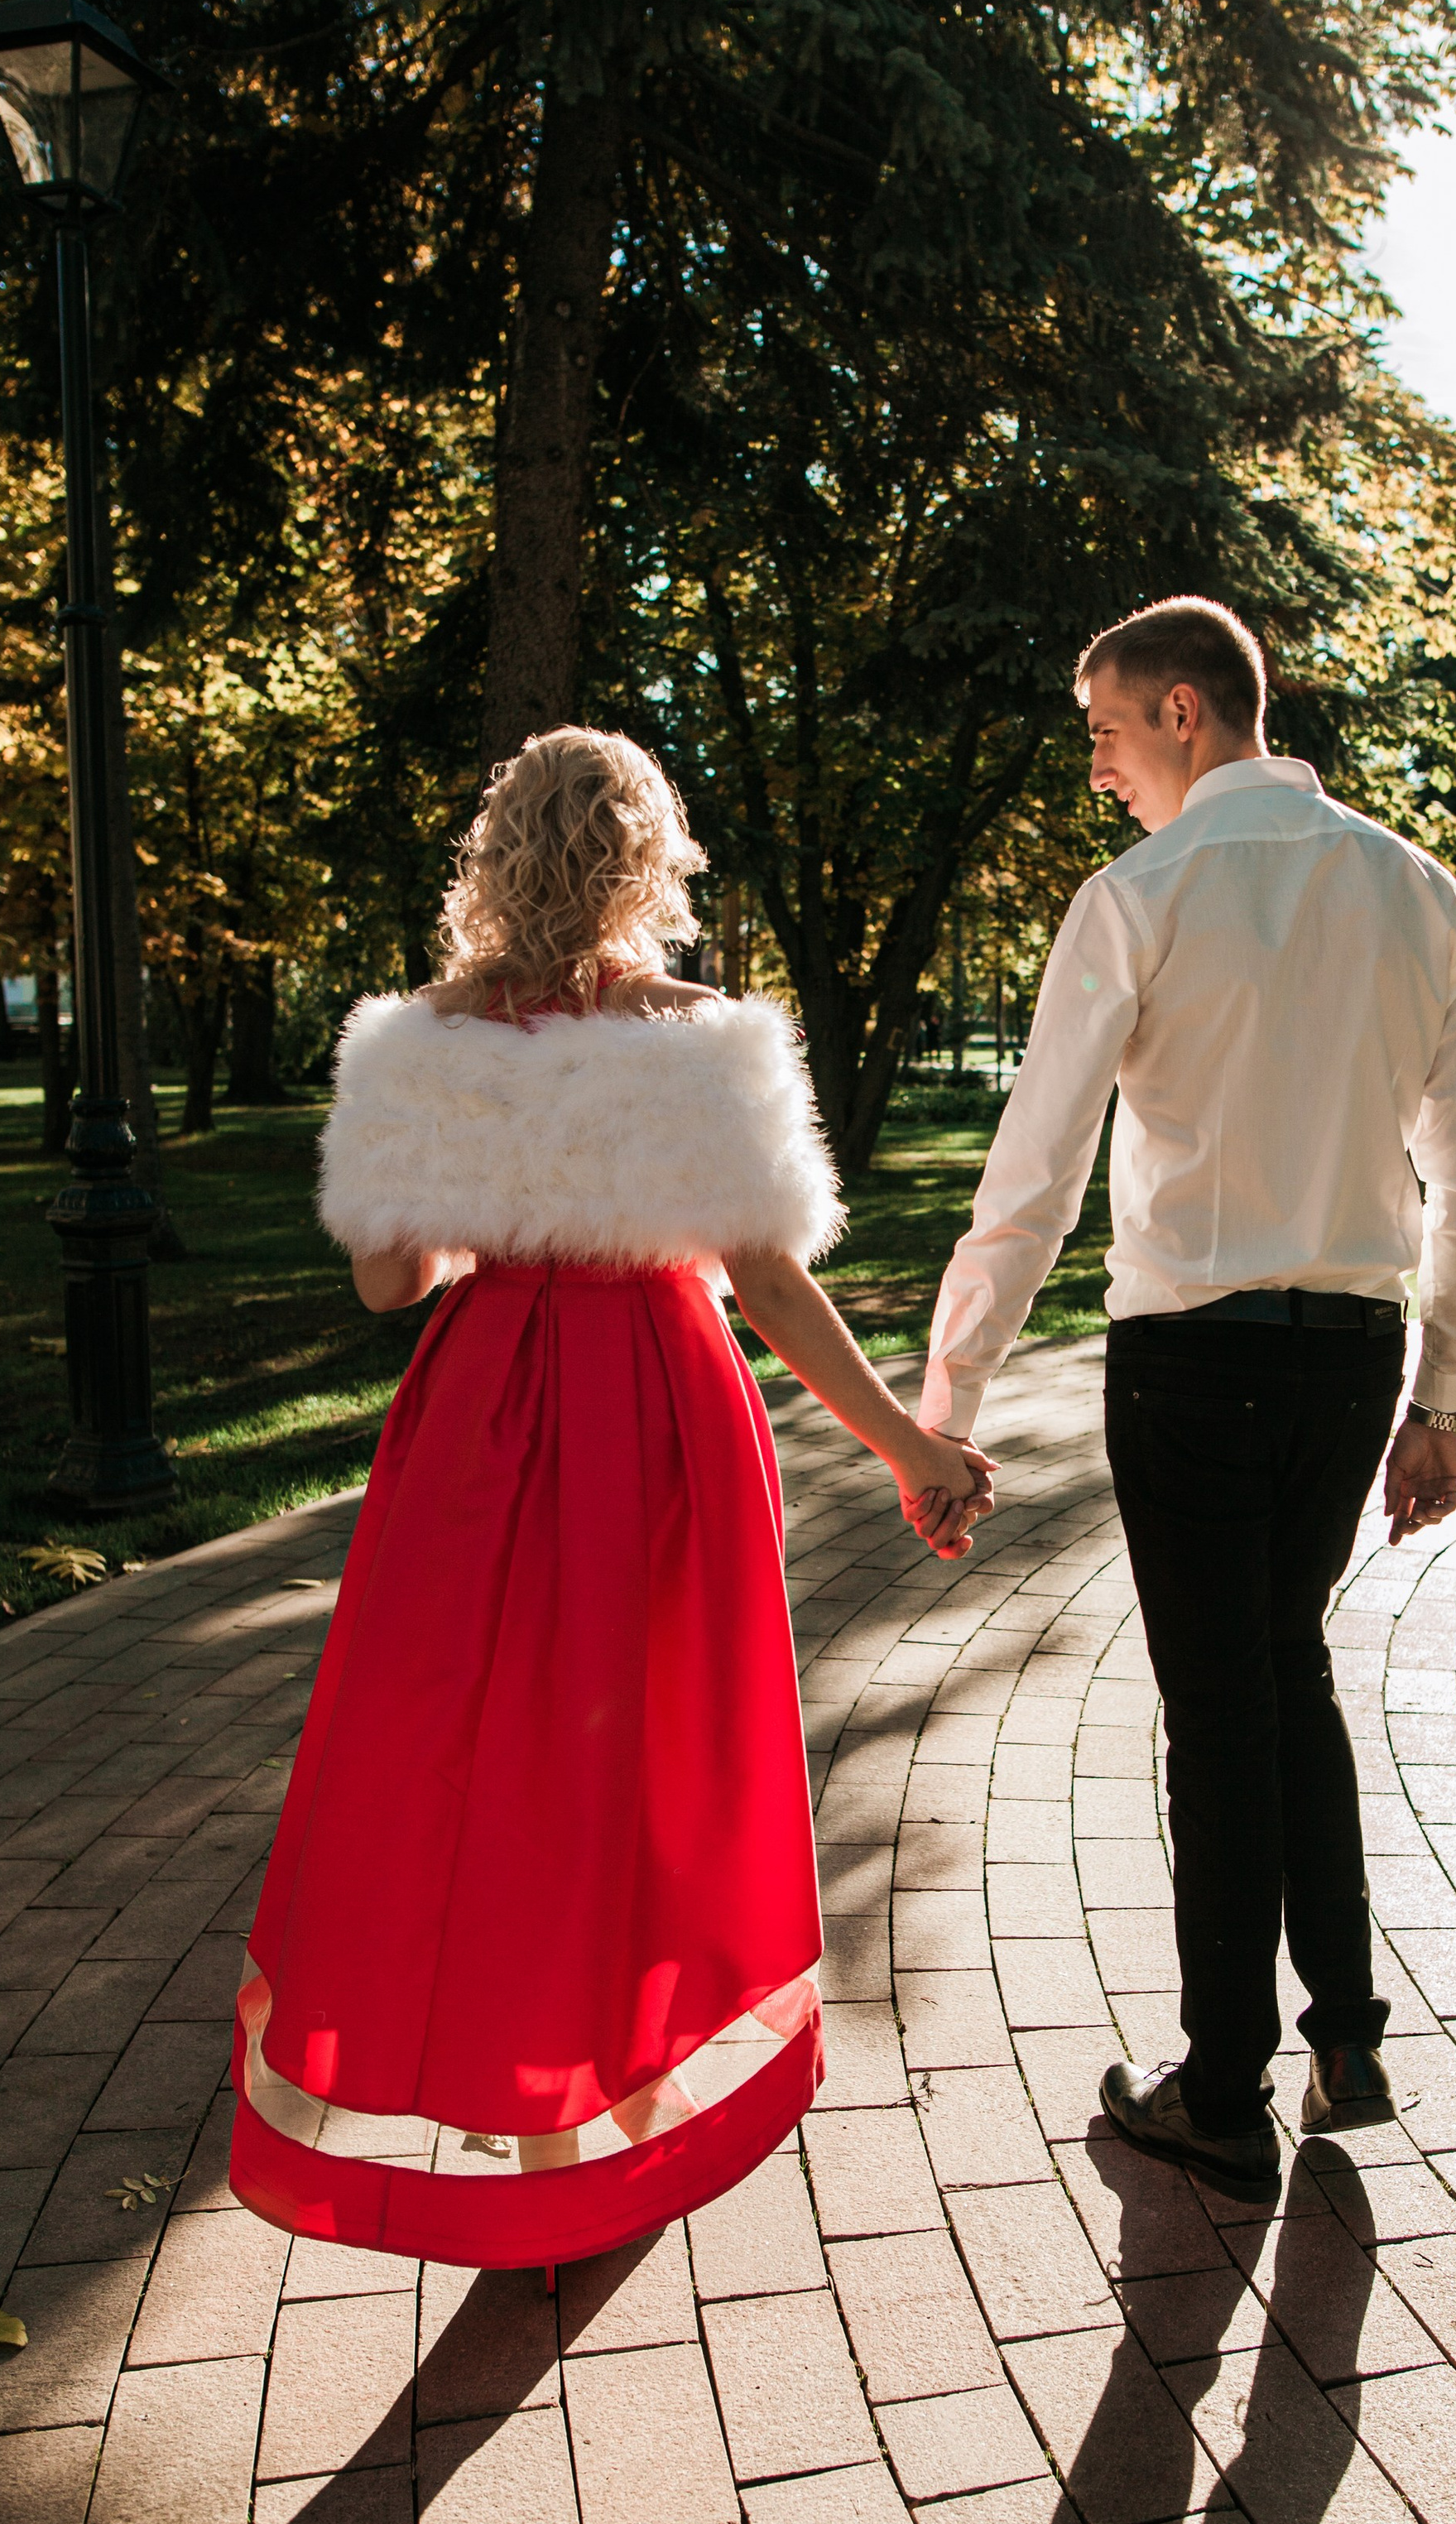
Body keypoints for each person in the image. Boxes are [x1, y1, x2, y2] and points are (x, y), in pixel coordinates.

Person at [233, 727, 990, 2269]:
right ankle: (625, 2095)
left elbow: (389, 1283)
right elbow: (768, 1282)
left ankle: (535, 2108)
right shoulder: (705, 1037)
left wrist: (478, 1177)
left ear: (494, 855)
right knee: (647, 1748)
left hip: (482, 1412)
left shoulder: (418, 1041)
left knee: (490, 1754)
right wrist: (910, 1448)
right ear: (653, 859)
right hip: (657, 1400)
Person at [920, 599, 1456, 2208]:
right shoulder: (1415, 888)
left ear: (1183, 711)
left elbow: (1033, 1176)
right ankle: (1347, 2036)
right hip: (1350, 1362)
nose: (1097, 767)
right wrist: (1442, 1397)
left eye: (1105, 732)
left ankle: (1224, 2091)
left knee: (1220, 1712)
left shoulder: (1139, 897)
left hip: (1190, 1361)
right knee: (1286, 1668)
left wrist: (949, 1402)